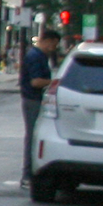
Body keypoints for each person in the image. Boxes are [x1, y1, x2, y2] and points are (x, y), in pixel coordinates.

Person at [20, 27, 62, 186]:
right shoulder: (35, 56)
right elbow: (36, 81)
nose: (54, 48)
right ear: (48, 41)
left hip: (35, 99)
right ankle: (27, 174)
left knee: (35, 136)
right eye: (54, 44)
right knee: (32, 136)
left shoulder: (39, 55)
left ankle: (30, 173)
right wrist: (55, 83)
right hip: (32, 99)